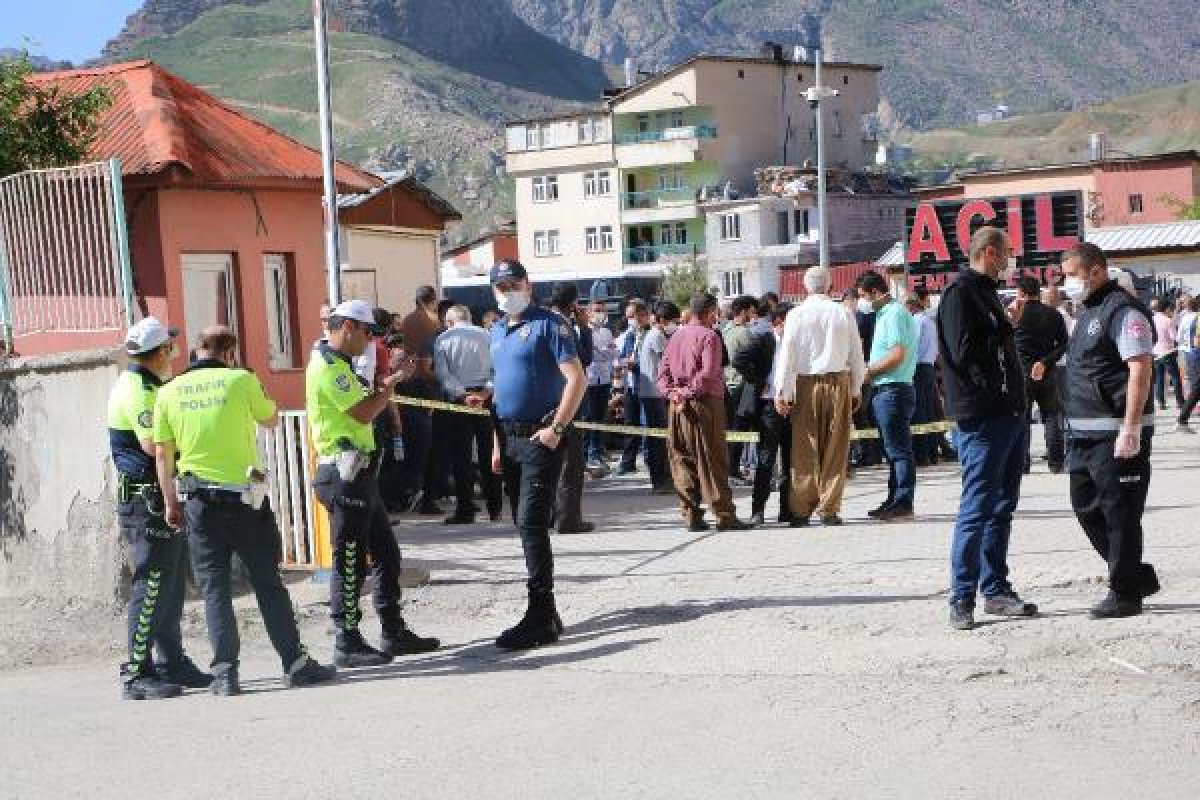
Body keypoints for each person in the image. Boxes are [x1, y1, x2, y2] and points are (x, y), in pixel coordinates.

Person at [153, 326, 335, 695]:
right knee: (267, 582)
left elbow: (161, 453)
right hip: (244, 501)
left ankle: (225, 673)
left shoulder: (168, 391)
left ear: (197, 351)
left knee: (214, 589)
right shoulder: (240, 379)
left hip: (198, 503)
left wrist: (170, 502)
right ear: (230, 352)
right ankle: (294, 663)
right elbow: (270, 418)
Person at [307, 301, 441, 666]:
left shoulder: (341, 365)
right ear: (348, 326)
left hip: (359, 473)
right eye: (367, 333)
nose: (370, 342)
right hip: (344, 474)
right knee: (350, 560)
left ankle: (392, 629)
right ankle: (347, 640)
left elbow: (363, 400)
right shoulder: (329, 368)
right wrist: (391, 387)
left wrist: (385, 385)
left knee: (386, 553)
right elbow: (364, 411)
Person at [937, 226, 1037, 631]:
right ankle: (962, 596)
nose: (1012, 259)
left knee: (1002, 506)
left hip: (1009, 411)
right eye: (1008, 252)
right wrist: (1003, 328)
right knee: (977, 506)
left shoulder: (986, 291)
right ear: (991, 252)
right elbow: (962, 351)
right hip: (983, 414)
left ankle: (995, 589)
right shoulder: (960, 291)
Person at [107, 318, 210, 700]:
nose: (175, 354)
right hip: (144, 500)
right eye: (170, 347)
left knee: (170, 583)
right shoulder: (137, 389)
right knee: (150, 583)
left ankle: (171, 661)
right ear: (160, 352)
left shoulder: (153, 385)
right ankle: (136, 672)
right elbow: (153, 444)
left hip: (160, 495)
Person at [488, 260, 586, 650]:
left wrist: (557, 428)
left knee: (532, 523)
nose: (506, 291)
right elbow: (500, 391)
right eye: (499, 286)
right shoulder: (496, 329)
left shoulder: (550, 324)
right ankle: (548, 610)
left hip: (541, 435)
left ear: (527, 284)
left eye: (512, 283)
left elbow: (575, 378)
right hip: (509, 437)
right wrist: (496, 444)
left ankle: (540, 615)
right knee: (522, 522)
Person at [1061, 243, 1161, 618]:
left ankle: (1125, 594)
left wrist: (1131, 428)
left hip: (1117, 432)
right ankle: (1135, 576)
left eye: (1073, 274)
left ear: (1097, 271)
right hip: (1085, 435)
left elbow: (1140, 369)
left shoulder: (1122, 311)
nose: (1068, 282)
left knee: (1120, 515)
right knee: (1086, 508)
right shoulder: (1088, 311)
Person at [773, 268, 866, 526]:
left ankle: (801, 510)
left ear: (805, 286)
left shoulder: (795, 315)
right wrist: (856, 389)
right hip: (839, 381)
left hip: (805, 383)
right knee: (836, 448)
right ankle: (829, 509)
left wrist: (784, 392)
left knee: (804, 447)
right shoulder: (843, 313)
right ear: (830, 285)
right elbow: (856, 354)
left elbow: (787, 356)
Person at [657, 292, 753, 533]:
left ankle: (690, 514)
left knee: (682, 459)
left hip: (677, 406)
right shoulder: (710, 336)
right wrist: (687, 392)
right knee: (712, 459)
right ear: (710, 312)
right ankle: (724, 515)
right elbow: (708, 373)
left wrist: (673, 394)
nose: (718, 315)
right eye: (716, 311)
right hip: (704, 403)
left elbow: (662, 374)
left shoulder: (675, 336)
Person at [856, 272, 919, 521]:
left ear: (874, 292)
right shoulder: (884, 314)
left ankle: (903, 501)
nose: (862, 302)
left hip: (894, 389)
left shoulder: (893, 314)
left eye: (863, 296)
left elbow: (896, 356)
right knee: (893, 450)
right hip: (888, 389)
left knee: (899, 451)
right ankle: (894, 499)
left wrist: (867, 371)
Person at [434, 304, 503, 524]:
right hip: (486, 398)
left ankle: (465, 508)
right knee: (489, 453)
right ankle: (495, 507)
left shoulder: (443, 340)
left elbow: (444, 376)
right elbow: (498, 369)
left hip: (458, 401)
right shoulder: (488, 336)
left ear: (450, 321)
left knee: (461, 456)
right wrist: (485, 392)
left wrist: (463, 395)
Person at [737, 304, 790, 525]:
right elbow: (739, 359)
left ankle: (787, 510)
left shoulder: (796, 343)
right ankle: (758, 509)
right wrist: (760, 382)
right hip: (768, 407)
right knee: (766, 458)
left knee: (790, 459)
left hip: (791, 405)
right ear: (778, 322)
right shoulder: (764, 340)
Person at [550, 283, 596, 534]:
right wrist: (585, 327)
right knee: (570, 465)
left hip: (545, 401)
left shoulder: (542, 320)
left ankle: (548, 515)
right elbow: (585, 358)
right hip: (566, 402)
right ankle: (569, 519)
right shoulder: (564, 326)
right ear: (573, 304)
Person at [1010, 277, 1069, 473]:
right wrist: (1045, 362)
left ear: (1023, 294)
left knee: (1022, 418)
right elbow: (1063, 344)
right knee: (1051, 416)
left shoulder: (1016, 316)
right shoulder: (1053, 314)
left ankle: (1022, 463)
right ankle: (1056, 462)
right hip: (1047, 370)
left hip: (1021, 373)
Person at [397, 285, 443, 514]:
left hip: (407, 380)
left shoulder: (407, 320)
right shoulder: (433, 320)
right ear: (432, 300)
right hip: (426, 382)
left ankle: (410, 490)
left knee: (413, 441)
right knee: (432, 443)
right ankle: (427, 496)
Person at [638, 300, 679, 495]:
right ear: (662, 320)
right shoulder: (656, 336)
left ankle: (662, 479)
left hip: (652, 392)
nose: (674, 325)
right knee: (658, 440)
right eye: (672, 321)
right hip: (654, 393)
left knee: (659, 438)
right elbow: (669, 362)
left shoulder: (655, 334)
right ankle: (660, 481)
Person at [722, 295, 759, 481]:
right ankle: (733, 469)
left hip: (728, 384)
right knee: (740, 427)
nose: (753, 315)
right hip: (742, 385)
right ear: (744, 312)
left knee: (732, 427)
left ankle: (731, 467)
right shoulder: (744, 333)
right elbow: (753, 359)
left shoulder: (726, 329)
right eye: (752, 311)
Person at [616, 300, 651, 476]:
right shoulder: (630, 335)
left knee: (647, 425)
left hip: (646, 387)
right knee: (630, 425)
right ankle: (627, 462)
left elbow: (651, 362)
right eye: (627, 316)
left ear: (643, 315)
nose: (629, 320)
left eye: (632, 316)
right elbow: (623, 356)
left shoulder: (651, 334)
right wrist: (623, 362)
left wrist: (635, 364)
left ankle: (649, 460)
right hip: (630, 386)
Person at [583, 299, 617, 471]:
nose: (600, 313)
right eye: (596, 310)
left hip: (603, 379)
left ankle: (596, 452)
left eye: (603, 310)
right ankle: (585, 455)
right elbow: (591, 356)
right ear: (588, 312)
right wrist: (602, 353)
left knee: (600, 417)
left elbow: (612, 354)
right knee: (588, 418)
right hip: (588, 381)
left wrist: (600, 352)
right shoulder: (582, 331)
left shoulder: (606, 332)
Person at [907, 292, 939, 467]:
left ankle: (922, 454)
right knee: (929, 410)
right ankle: (932, 452)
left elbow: (913, 345)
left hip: (918, 367)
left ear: (911, 306)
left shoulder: (916, 321)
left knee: (919, 411)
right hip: (928, 366)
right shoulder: (929, 321)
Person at [1151, 298, 1184, 411]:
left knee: (1159, 378)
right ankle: (1180, 402)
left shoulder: (1151, 319)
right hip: (1168, 352)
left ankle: (1161, 402)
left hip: (1155, 352)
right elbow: (1174, 337)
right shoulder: (1167, 320)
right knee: (1175, 377)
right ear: (1166, 308)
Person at [1177, 297, 1200, 432]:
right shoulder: (1197, 318)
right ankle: (1182, 419)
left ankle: (1183, 419)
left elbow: (1179, 338)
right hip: (1196, 355)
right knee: (1197, 388)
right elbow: (1197, 341)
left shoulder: (1190, 318)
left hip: (1190, 354)